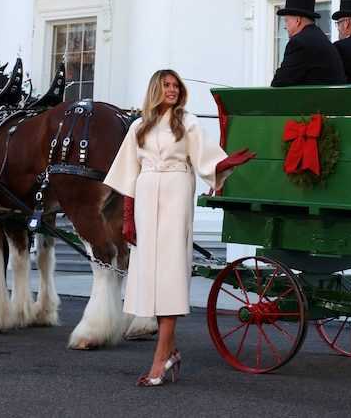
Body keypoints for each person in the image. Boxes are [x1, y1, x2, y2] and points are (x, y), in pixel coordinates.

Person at [104, 70, 255, 386]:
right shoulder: (138, 127)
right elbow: (128, 176)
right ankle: (171, 350)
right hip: (145, 195)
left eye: (176, 86)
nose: (172, 90)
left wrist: (226, 164)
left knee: (170, 273)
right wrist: (128, 218)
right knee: (150, 275)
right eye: (166, 85)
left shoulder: (186, 122)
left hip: (176, 193)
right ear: (155, 89)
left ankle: (160, 356)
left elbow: (206, 160)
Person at [271, 0, 346, 87]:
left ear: (298, 20)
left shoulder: (299, 43)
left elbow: (280, 81)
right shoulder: (318, 37)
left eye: (286, 21)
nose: (285, 26)